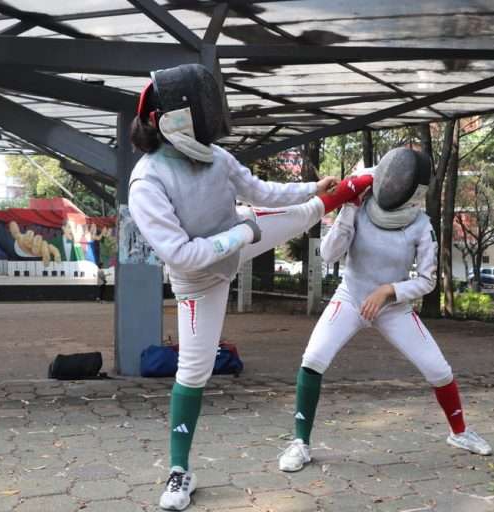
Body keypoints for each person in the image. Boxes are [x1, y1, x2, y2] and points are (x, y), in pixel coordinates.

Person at [127, 63, 372, 511]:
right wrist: (243, 234)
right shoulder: (147, 182)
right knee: (194, 372)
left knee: (304, 212)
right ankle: (180, 471)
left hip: (239, 233)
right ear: (170, 120)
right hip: (199, 278)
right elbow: (181, 254)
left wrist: (313, 187)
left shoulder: (216, 158)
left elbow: (261, 191)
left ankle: (352, 189)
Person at [278, 147, 493, 474]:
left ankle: (460, 432)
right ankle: (300, 443)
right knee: (313, 359)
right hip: (351, 297)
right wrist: (348, 210)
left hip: (394, 308)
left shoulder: (421, 225)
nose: (392, 184)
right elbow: (330, 255)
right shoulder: (360, 207)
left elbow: (427, 281)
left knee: (438, 370)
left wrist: (389, 290)